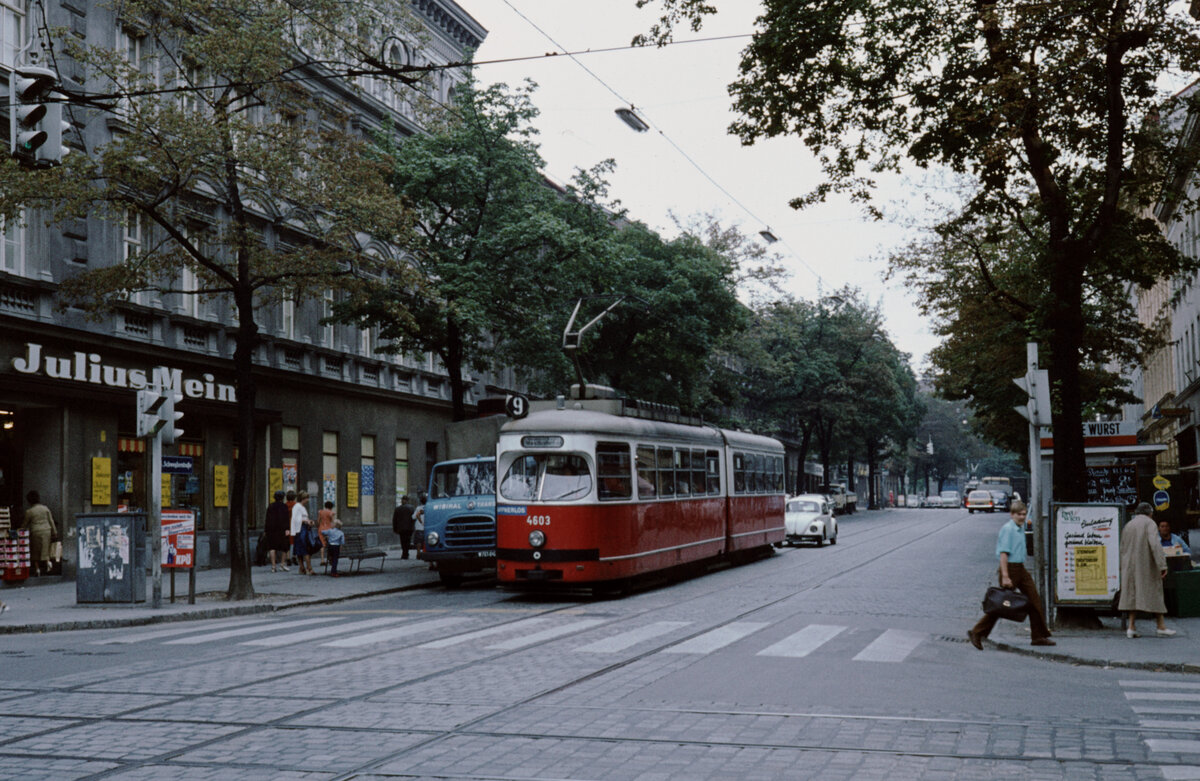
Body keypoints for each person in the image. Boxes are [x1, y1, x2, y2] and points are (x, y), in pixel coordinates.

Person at [968, 500, 1055, 649]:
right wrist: (1006, 576)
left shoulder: (1019, 528)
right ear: (1012, 514)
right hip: (1010, 569)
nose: (1022, 517)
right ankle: (977, 631)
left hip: (1020, 568)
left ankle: (1038, 636)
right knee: (1002, 604)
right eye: (1018, 514)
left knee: (1034, 600)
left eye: (1023, 514)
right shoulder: (1008, 529)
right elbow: (1003, 554)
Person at [1120, 502, 1175, 638]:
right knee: (1155, 592)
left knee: (1132, 595)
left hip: (1130, 565)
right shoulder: (1150, 524)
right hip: (1145, 564)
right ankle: (1160, 626)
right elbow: (1155, 545)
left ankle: (1131, 627)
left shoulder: (1129, 525)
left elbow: (1122, 546)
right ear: (1150, 513)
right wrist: (1162, 565)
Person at [23, 491, 58, 577]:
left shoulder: (29, 511)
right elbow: (51, 521)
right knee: (45, 549)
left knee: (35, 551)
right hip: (47, 531)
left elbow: (25, 524)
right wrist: (54, 532)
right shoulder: (45, 509)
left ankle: (37, 569)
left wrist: (20, 530)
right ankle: (48, 562)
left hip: (36, 532)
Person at [264, 490, 291, 572]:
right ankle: (282, 564)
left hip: (272, 529)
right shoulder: (284, 506)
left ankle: (273, 566)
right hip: (282, 529)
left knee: (272, 547)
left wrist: (266, 530)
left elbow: (267, 519)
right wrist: (287, 529)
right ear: (282, 498)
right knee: (285, 547)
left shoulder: (270, 506)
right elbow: (286, 519)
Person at [291, 490, 315, 575]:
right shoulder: (297, 506)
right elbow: (295, 519)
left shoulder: (302, 507)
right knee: (304, 549)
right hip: (300, 530)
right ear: (303, 498)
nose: (308, 500)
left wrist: (308, 521)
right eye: (307, 498)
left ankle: (303, 568)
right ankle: (308, 568)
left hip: (304, 528)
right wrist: (306, 521)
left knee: (303, 549)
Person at [392, 495, 415, 559]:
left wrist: (395, 528)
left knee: (403, 541)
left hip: (401, 528)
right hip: (409, 528)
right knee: (408, 541)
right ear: (408, 501)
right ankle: (406, 553)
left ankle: (404, 553)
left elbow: (394, 519)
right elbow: (414, 518)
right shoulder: (412, 508)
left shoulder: (398, 509)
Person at [317, 501, 335, 567]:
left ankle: (322, 560)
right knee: (330, 543)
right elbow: (332, 522)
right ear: (331, 507)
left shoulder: (321, 512)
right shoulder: (331, 513)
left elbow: (318, 521)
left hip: (321, 529)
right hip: (328, 529)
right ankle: (330, 558)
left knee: (322, 544)